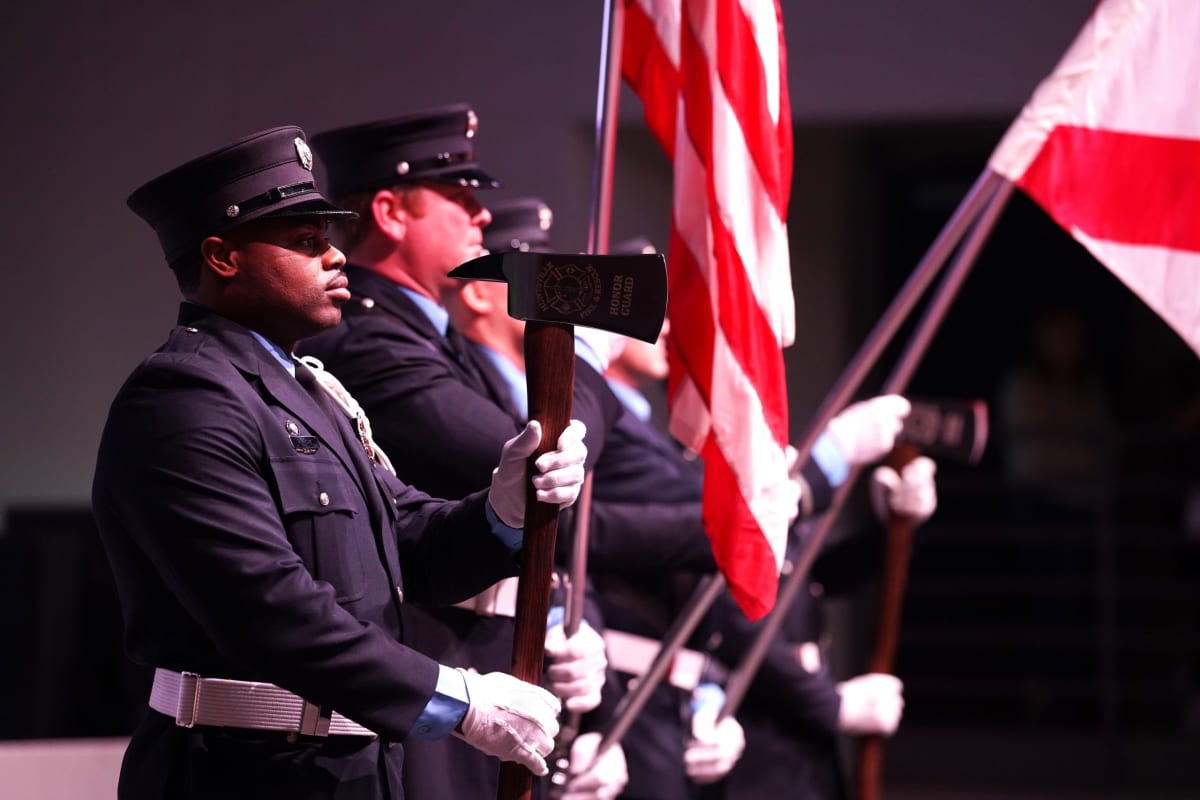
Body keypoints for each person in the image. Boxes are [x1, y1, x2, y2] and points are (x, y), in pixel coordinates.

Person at [94, 126, 592, 800]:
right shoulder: (182, 400)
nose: (336, 257)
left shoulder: (308, 391)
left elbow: (407, 539)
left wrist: (502, 509)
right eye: (306, 243)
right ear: (222, 256)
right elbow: (270, 611)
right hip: (240, 773)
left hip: (352, 769)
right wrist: (458, 699)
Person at [297, 111, 624, 800]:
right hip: (433, 661)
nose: (482, 216)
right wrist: (585, 354)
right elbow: (526, 465)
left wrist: (582, 635)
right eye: (459, 196)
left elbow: (547, 519)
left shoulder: (436, 342)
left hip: (487, 660)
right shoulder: (367, 344)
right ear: (389, 211)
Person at [707, 454, 937, 800]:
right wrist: (832, 704)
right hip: (756, 756)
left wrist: (891, 526)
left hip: (805, 756)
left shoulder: (781, 517)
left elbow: (821, 564)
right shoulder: (721, 496)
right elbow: (743, 627)